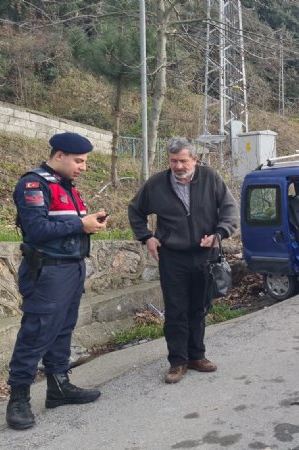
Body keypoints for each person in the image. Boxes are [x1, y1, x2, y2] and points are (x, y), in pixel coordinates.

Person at [6, 132, 107, 430]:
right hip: (48, 272)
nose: (83, 167)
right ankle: (19, 399)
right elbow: (36, 229)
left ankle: (59, 386)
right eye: (79, 161)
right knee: (36, 332)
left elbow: (61, 225)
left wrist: (90, 224)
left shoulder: (67, 187)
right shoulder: (33, 183)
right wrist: (80, 223)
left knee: (63, 329)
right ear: (59, 155)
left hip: (71, 268)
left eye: (85, 161)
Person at [128, 137, 239, 384]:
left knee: (199, 308)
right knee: (176, 311)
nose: (178, 166)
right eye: (173, 161)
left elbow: (230, 209)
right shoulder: (156, 184)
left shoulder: (210, 178)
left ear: (195, 160)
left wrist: (219, 234)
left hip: (205, 256)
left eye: (183, 161)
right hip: (172, 257)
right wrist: (147, 237)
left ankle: (197, 355)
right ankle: (177, 361)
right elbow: (135, 210)